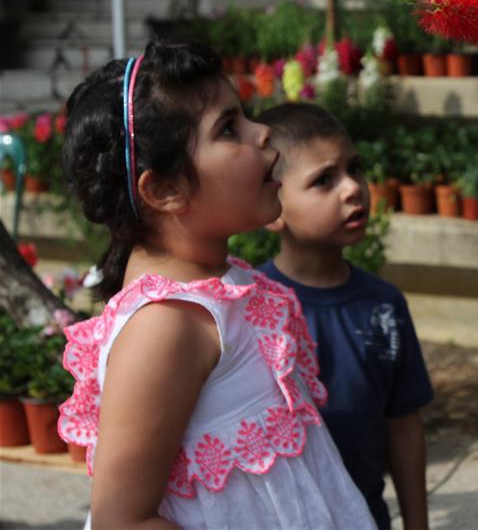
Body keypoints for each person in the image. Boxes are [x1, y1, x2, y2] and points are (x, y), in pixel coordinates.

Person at [57, 40, 375, 530]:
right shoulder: (165, 327)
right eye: (229, 128)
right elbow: (121, 521)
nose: (263, 131)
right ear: (164, 189)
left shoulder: (224, 287)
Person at [255, 103, 433, 530]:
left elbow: (404, 426)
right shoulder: (254, 308)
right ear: (273, 210)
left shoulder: (385, 306)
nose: (353, 188)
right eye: (324, 180)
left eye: (355, 168)